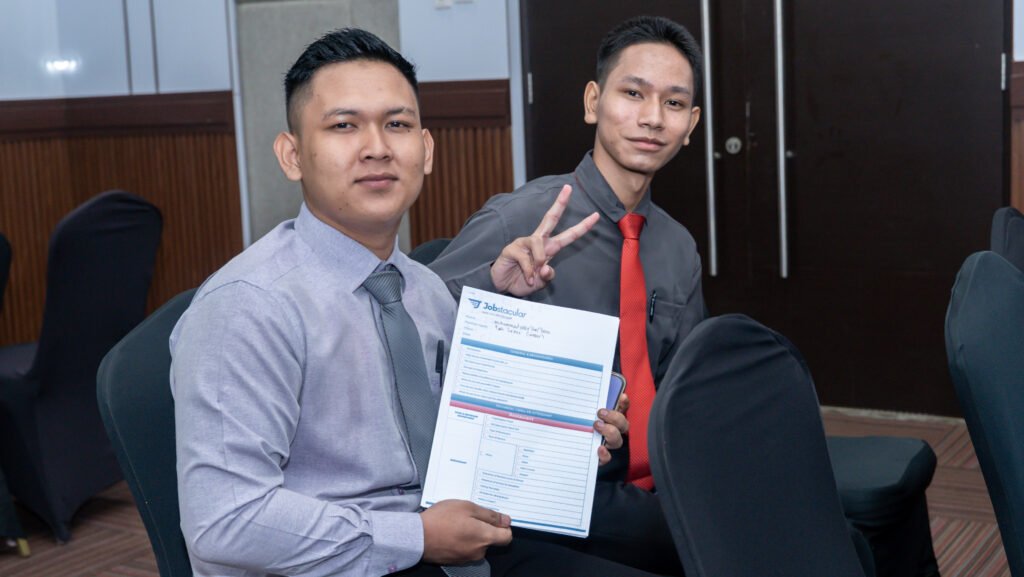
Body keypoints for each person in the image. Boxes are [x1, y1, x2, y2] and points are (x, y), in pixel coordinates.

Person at [170, 28, 658, 577]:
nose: (377, 147)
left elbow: (462, 443)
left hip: (450, 545)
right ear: (292, 155)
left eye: (397, 124)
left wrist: (559, 436)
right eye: (343, 125)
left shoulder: (421, 290)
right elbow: (224, 520)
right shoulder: (247, 307)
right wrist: (416, 537)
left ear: (426, 151)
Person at [429, 15, 705, 575]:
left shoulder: (678, 248)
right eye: (633, 94)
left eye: (674, 103)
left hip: (655, 479)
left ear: (691, 124)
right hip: (540, 489)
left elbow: (687, 388)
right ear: (593, 102)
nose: (653, 117)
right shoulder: (521, 219)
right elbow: (414, 327)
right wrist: (492, 285)